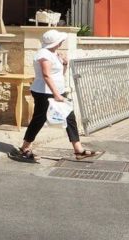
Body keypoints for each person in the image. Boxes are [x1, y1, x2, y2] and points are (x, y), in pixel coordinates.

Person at [17, 30, 95, 162]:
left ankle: (78, 149)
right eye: (59, 41)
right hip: (44, 92)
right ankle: (25, 147)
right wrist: (56, 95)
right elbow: (46, 75)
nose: (61, 43)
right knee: (39, 119)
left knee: (70, 116)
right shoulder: (43, 55)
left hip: (56, 91)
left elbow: (59, 74)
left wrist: (64, 63)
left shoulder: (54, 54)